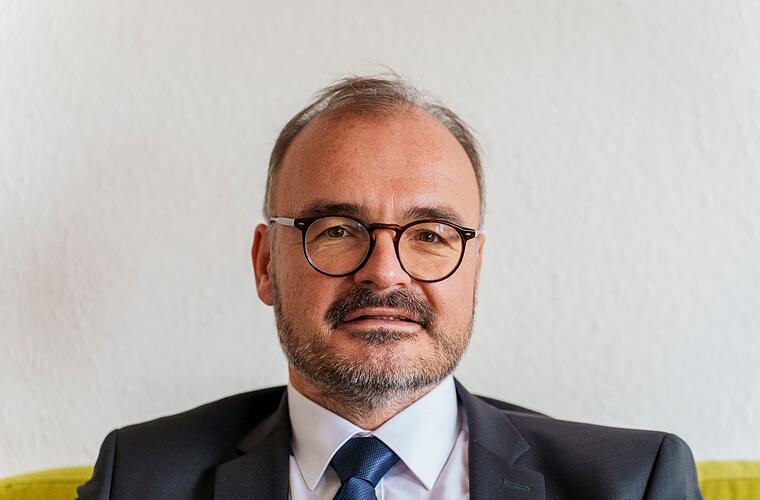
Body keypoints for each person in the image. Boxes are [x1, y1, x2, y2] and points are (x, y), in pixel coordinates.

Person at [77, 74, 702, 499]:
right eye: (337, 230)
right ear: (266, 264)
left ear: (475, 267)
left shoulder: (632, 483)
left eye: (431, 234)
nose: (384, 271)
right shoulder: (138, 477)